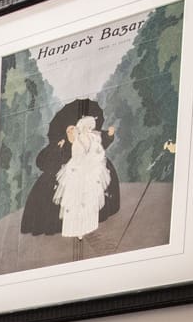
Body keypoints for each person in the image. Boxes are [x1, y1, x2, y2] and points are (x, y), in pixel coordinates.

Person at [19, 98, 122, 241]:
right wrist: (60, 147)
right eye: (71, 130)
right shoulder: (66, 142)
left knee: (93, 193)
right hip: (71, 173)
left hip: (91, 170)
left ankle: (91, 219)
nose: (77, 132)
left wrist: (109, 135)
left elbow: (101, 142)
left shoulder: (90, 137)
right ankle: (70, 225)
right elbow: (44, 161)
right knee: (68, 197)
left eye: (78, 128)